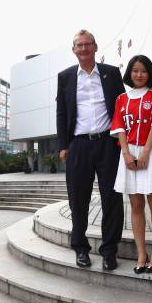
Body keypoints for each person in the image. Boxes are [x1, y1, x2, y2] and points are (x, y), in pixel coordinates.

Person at [56, 29, 125, 271]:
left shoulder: (111, 74)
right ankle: (80, 248)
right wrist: (63, 145)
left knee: (112, 198)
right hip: (79, 145)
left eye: (87, 44)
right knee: (78, 199)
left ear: (95, 47)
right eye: (79, 45)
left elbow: (122, 107)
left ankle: (109, 251)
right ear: (73, 50)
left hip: (108, 143)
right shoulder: (65, 77)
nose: (84, 49)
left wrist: (123, 141)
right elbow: (62, 112)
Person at [110, 55, 152, 274]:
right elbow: (119, 128)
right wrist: (126, 153)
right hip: (129, 153)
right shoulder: (121, 99)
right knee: (135, 205)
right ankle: (141, 253)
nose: (139, 75)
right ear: (129, 73)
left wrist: (145, 152)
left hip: (151, 152)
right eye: (135, 71)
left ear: (149, 73)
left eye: (143, 71)